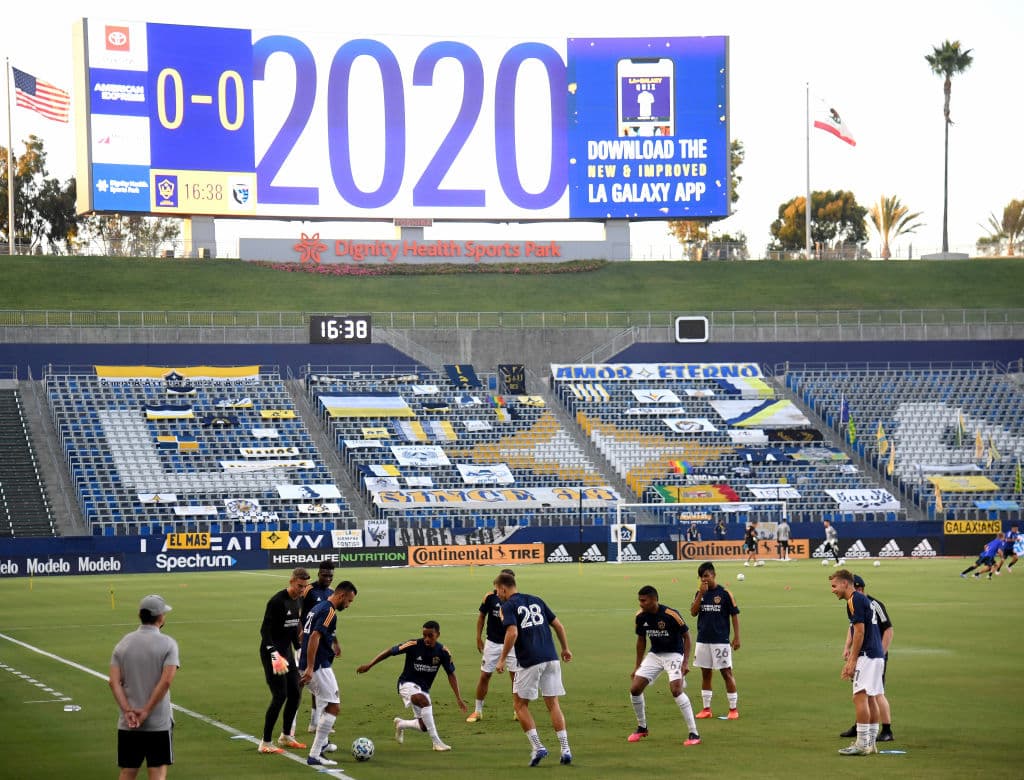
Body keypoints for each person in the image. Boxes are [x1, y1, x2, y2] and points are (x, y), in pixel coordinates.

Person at [494, 571, 574, 767]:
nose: (497, 595)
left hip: (530, 660)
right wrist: (565, 648)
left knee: (520, 705)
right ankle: (565, 749)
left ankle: (538, 746)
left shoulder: (508, 606)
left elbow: (512, 632)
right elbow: (559, 625)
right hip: (551, 658)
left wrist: (502, 659)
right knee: (553, 703)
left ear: (504, 588)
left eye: (497, 591)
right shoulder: (537, 599)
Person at [357, 620, 467, 752]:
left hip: (423, 689)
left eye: (430, 636)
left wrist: (458, 697)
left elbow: (451, 674)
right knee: (423, 701)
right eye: (424, 635)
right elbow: (390, 652)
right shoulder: (413, 644)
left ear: (438, 635)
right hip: (406, 684)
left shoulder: (443, 652)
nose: (426, 639)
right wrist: (370, 665)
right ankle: (437, 742)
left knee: (424, 726)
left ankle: (401, 724)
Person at [109, 594, 180, 780]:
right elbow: (166, 681)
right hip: (158, 722)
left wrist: (127, 710)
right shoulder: (168, 644)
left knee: (127, 772)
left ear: (140, 614)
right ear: (160, 617)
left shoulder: (123, 643)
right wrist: (146, 711)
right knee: (157, 772)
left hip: (128, 723)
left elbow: (113, 681)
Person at [627, 585, 701, 746]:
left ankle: (694, 733)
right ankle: (642, 727)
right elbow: (641, 641)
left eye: (643, 600)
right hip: (655, 655)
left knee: (676, 690)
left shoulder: (670, 614)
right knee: (635, 689)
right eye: (639, 600)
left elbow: (687, 637)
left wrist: (685, 662)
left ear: (654, 600)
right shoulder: (640, 617)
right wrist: (637, 666)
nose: (640, 604)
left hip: (674, 654)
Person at [299, 580, 358, 767]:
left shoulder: (318, 607)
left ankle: (322, 745)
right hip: (318, 666)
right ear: (341, 596)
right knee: (333, 706)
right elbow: (314, 636)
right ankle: (315, 754)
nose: (348, 605)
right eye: (348, 601)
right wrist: (309, 667)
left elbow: (303, 635)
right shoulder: (329, 611)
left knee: (326, 704)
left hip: (316, 663)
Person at [829, 568, 885, 756]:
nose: (833, 590)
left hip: (867, 655)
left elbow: (859, 632)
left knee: (859, 697)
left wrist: (852, 661)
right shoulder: (863, 600)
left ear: (845, 583)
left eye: (834, 586)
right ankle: (870, 743)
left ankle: (862, 744)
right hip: (877, 655)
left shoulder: (854, 600)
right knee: (870, 697)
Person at [258, 567, 310, 755]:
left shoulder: (299, 601)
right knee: (280, 695)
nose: (301, 590)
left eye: (304, 587)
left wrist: (299, 649)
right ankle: (265, 741)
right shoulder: (277, 601)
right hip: (272, 654)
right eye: (299, 586)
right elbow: (264, 631)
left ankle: (286, 736)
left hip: (286, 653)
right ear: (291, 581)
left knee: (295, 692)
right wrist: (273, 655)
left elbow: (292, 630)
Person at [839, 575, 894, 742]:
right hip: (866, 653)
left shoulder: (873, 604)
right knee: (864, 694)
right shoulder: (855, 603)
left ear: (859, 588)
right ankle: (861, 726)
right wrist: (847, 647)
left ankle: (886, 729)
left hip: (872, 654)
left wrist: (881, 653)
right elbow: (853, 628)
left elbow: (889, 630)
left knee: (875, 693)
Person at [690, 562, 741, 720]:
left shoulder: (725, 594)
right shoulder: (699, 593)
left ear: (714, 575)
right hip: (703, 640)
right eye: (701, 577)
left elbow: (734, 615)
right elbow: (693, 612)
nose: (704, 580)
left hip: (720, 640)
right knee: (705, 673)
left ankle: (733, 709)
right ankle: (706, 709)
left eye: (706, 576)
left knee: (726, 672)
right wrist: (700, 594)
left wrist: (737, 637)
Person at [467, 568, 518, 723]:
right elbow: (481, 616)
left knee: (516, 677)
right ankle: (478, 711)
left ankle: (518, 710)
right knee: (485, 675)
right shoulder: (489, 597)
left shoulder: (516, 600)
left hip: (512, 644)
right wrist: (478, 637)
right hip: (493, 643)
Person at [302, 560, 337, 735]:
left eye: (331, 575)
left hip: (323, 645)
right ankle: (291, 727)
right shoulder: (309, 590)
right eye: (325, 575)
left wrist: (335, 642)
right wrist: (300, 636)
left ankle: (316, 722)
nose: (328, 578)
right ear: (318, 573)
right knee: (308, 681)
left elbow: (328, 624)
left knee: (317, 684)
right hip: (307, 643)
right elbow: (299, 613)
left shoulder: (331, 594)